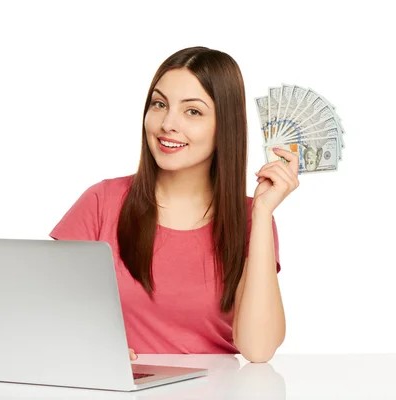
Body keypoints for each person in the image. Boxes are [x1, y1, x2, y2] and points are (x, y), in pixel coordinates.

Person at [50, 46, 299, 363]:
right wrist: (90, 347)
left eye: (192, 111)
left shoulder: (252, 220)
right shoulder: (101, 202)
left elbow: (259, 349)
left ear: (225, 126)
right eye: (159, 104)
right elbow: (48, 318)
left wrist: (262, 213)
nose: (167, 123)